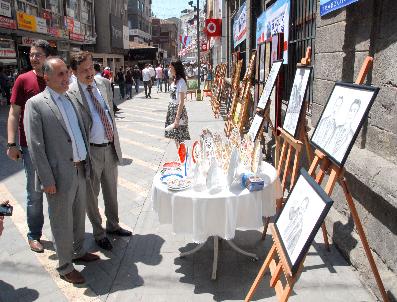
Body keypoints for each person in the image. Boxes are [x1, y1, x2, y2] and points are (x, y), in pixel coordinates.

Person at [24, 57, 99, 284]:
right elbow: (35, 146)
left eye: (67, 73)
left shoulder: (71, 99)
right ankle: (65, 266)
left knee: (77, 217)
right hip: (57, 176)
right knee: (61, 222)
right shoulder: (36, 104)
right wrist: (47, 179)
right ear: (46, 77)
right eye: (60, 74)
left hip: (79, 169)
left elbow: (80, 133)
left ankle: (78, 252)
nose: (66, 78)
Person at [68, 51, 131, 252]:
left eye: (91, 67)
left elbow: (109, 112)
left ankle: (113, 225)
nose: (89, 73)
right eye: (84, 70)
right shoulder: (71, 92)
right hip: (91, 152)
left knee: (112, 191)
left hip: (110, 147)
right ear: (74, 72)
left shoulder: (102, 84)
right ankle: (99, 232)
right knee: (91, 196)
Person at [6, 39, 51, 253]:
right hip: (30, 147)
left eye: (38, 54)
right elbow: (14, 113)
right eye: (32, 54)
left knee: (58, 191)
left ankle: (62, 232)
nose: (34, 58)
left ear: (47, 57)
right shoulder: (23, 80)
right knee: (34, 194)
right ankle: (34, 235)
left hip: (56, 147)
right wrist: (11, 143)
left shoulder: (56, 78)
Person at [164, 60, 191, 149]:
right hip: (172, 110)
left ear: (175, 68)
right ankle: (181, 159)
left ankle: (183, 160)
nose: (169, 69)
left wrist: (177, 119)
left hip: (178, 112)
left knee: (179, 138)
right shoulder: (175, 80)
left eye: (170, 67)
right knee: (176, 137)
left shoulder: (181, 82)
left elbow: (181, 102)